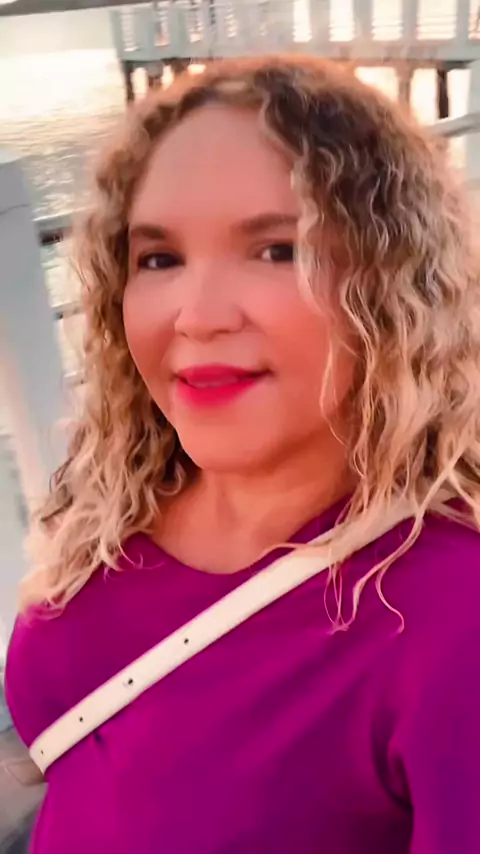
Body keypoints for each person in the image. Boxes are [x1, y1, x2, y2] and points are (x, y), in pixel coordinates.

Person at [5, 55, 480, 854]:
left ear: (388, 282)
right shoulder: (118, 502)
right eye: (159, 258)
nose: (196, 316)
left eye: (276, 250)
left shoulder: (449, 614)